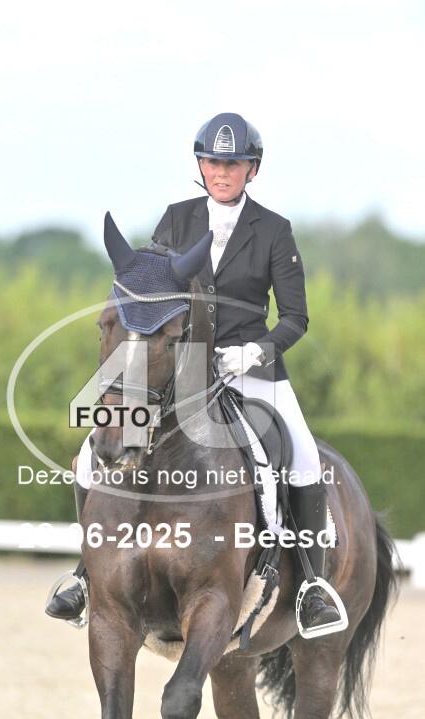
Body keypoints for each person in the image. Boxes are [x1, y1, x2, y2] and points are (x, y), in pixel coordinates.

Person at [46, 112, 340, 631]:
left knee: (303, 457)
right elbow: (150, 292)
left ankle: (311, 586)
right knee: (94, 451)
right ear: (201, 165)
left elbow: (296, 318)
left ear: (252, 170)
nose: (221, 173)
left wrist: (256, 352)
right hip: (177, 369)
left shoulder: (274, 230)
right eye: (212, 163)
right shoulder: (176, 219)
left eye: (233, 164)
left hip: (252, 371)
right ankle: (86, 575)